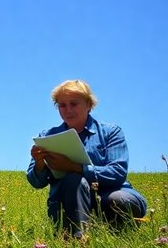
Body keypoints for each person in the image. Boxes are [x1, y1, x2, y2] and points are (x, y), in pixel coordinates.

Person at [27, 80, 147, 239]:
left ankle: (121, 237)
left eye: (74, 104)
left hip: (111, 197)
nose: (68, 110)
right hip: (68, 202)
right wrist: (40, 164)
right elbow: (36, 183)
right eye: (62, 105)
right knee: (72, 180)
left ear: (89, 104)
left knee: (118, 199)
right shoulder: (47, 136)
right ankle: (78, 241)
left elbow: (118, 173)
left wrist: (75, 167)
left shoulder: (110, 132)